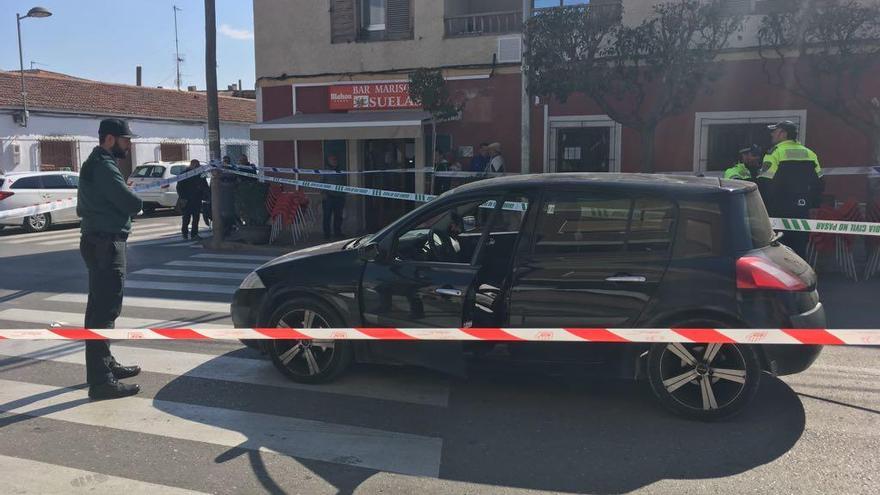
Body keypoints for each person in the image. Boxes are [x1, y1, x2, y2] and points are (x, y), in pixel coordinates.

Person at [76, 118, 143, 400]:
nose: (129, 145)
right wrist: (132, 196)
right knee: (104, 312)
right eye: (125, 140)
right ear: (111, 139)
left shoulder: (98, 162)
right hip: (106, 244)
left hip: (98, 242)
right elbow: (132, 203)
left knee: (98, 310)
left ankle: (104, 365)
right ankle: (101, 380)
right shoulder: (104, 166)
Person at [758, 120, 824, 258]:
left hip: (778, 210)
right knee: (800, 252)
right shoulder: (810, 153)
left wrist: (764, 208)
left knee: (779, 253)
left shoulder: (775, 153)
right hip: (802, 209)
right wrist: (813, 204)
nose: (772, 135)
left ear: (783, 134)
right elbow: (820, 182)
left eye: (775, 131)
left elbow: (765, 183)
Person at [176, 159, 209, 239]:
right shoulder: (185, 174)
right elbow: (179, 187)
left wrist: (206, 194)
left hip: (197, 198)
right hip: (187, 199)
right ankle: (185, 233)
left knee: (196, 217)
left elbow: (205, 184)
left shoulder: (200, 174)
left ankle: (194, 234)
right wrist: (182, 197)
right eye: (196, 166)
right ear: (192, 165)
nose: (198, 167)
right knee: (186, 217)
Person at [322, 154, 346, 240]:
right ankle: (327, 235)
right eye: (332, 160)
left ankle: (337, 233)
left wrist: (343, 194)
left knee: (338, 216)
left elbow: (344, 182)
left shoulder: (340, 170)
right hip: (328, 197)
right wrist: (324, 194)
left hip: (339, 197)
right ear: (328, 161)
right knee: (327, 216)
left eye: (335, 159)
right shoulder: (325, 171)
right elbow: (321, 183)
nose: (334, 161)